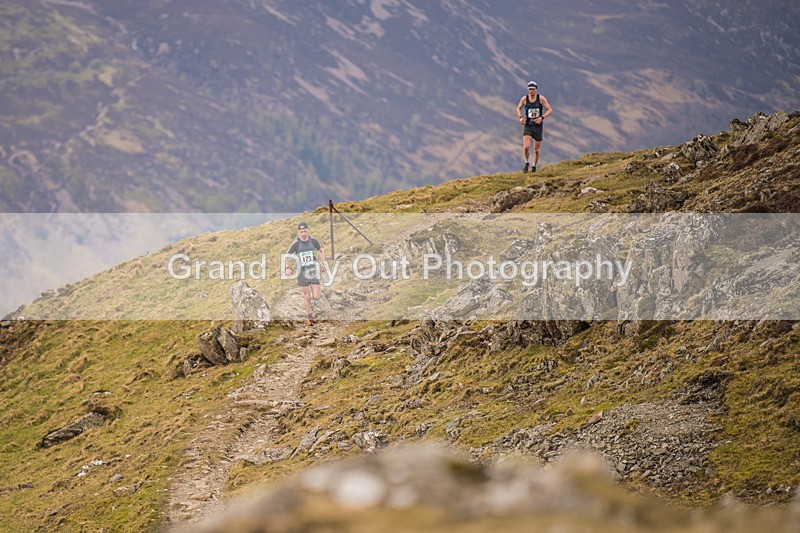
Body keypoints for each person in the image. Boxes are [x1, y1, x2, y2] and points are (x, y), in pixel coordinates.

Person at [284, 222, 326, 325]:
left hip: (313, 271)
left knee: (316, 296)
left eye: (305, 231)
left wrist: (323, 263)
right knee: (307, 295)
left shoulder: (313, 241)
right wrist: (287, 268)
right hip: (301, 272)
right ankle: (310, 317)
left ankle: (307, 299)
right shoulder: (296, 244)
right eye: (301, 232)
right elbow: (287, 256)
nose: (303, 233)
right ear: (298, 232)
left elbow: (321, 250)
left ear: (308, 230)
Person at [516, 81, 552, 172]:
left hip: (538, 126)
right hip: (528, 125)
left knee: (536, 149)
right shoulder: (524, 99)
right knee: (526, 147)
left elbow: (549, 110)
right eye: (529, 89)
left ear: (536, 89)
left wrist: (542, 117)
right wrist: (520, 117)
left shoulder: (541, 99)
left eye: (533, 89)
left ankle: (534, 166)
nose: (531, 91)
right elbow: (518, 108)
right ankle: (526, 163)